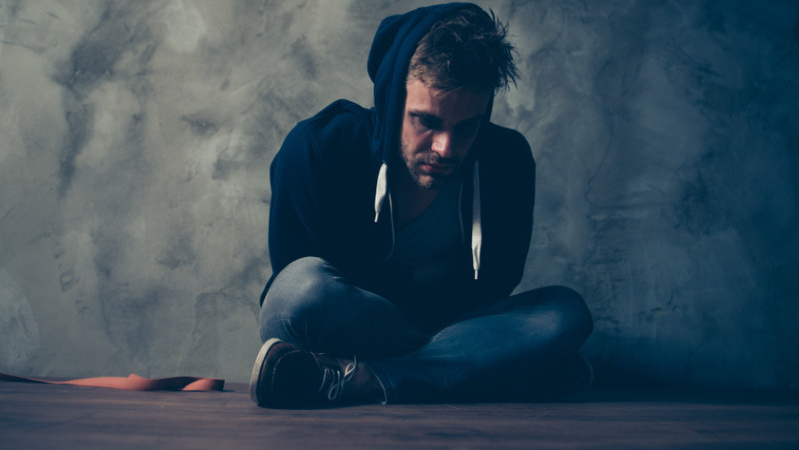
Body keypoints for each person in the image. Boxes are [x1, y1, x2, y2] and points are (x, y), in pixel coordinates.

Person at [250, 2, 593, 408]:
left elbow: (496, 284)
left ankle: (364, 380)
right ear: (394, 101)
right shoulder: (317, 150)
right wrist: (469, 351)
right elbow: (298, 298)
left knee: (564, 312)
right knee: (298, 290)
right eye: (427, 122)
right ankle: (482, 372)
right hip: (352, 325)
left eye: (467, 128)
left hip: (453, 326)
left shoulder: (508, 161)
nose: (446, 148)